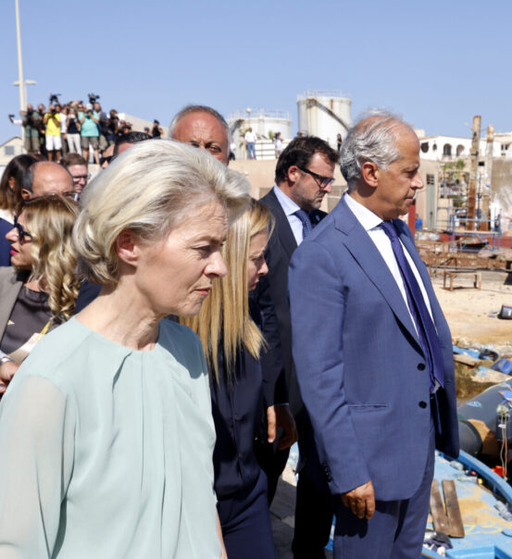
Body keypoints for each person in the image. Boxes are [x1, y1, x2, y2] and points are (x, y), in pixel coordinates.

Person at [0, 140, 248, 557]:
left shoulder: (186, 349)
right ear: (128, 243)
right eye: (202, 248)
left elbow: (200, 507)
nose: (220, 267)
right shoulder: (52, 380)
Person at [289, 114, 459, 558]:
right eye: (409, 172)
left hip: (416, 441)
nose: (418, 183)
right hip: (369, 460)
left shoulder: (399, 232)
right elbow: (320, 375)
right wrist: (347, 470)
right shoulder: (322, 254)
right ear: (370, 172)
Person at [180, 199, 288, 558]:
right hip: (191, 507)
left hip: (247, 496)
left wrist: (275, 400)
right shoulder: (174, 334)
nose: (266, 268)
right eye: (256, 258)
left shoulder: (249, 314)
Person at [252, 136, 335, 548]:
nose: (327, 188)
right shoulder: (257, 222)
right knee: (266, 477)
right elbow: (257, 314)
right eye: (321, 179)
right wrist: (270, 391)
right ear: (293, 173)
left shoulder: (321, 225)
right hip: (277, 380)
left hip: (319, 379)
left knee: (320, 478)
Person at [0, 195, 80, 393]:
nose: (9, 235)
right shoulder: (3, 280)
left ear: (49, 242)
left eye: (20, 232)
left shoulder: (85, 300)